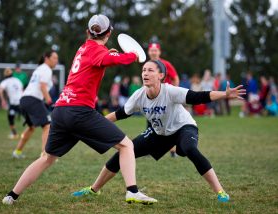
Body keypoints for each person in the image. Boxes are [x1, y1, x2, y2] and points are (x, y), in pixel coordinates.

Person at [2, 14, 156, 205]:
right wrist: (134, 54)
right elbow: (118, 60)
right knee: (126, 145)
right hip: (79, 112)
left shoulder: (83, 48)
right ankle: (132, 191)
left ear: (87, 32)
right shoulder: (98, 52)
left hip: (60, 110)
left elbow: (101, 58)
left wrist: (111, 53)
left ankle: (11, 196)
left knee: (47, 158)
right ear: (109, 33)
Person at [74, 60, 246, 203]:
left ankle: (220, 192)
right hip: (160, 134)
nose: (145, 73)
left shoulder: (170, 91)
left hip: (183, 128)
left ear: (161, 75)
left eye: (150, 70)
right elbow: (119, 114)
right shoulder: (139, 95)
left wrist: (225, 94)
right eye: (143, 70)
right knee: (123, 153)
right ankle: (94, 189)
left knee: (190, 149)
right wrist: (93, 124)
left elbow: (198, 97)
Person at [11, 50, 58, 159]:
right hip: (32, 99)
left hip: (24, 99)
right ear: (47, 58)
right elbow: (42, 86)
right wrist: (50, 102)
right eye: (54, 58)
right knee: (47, 125)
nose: (56, 60)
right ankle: (44, 155)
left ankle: (17, 151)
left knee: (31, 127)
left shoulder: (40, 68)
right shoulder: (46, 69)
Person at [148, 42, 179, 157]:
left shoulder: (165, 64)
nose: (154, 52)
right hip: (151, 99)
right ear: (149, 52)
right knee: (151, 123)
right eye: (152, 50)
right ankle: (148, 148)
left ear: (159, 52)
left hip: (165, 98)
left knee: (167, 124)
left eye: (156, 50)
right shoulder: (148, 65)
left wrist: (174, 93)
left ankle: (173, 149)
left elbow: (175, 78)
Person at [0, 68, 23, 139]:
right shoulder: (17, 80)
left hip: (14, 103)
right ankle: (25, 133)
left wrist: (3, 100)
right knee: (27, 118)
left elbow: (0, 91)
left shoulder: (5, 82)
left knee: (10, 118)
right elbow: (22, 90)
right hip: (21, 102)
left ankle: (15, 134)